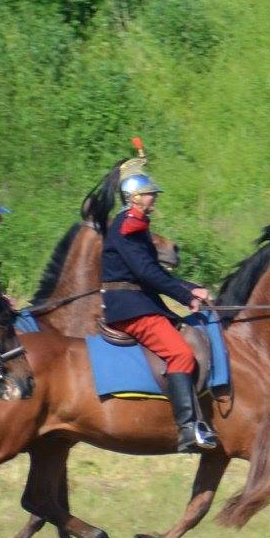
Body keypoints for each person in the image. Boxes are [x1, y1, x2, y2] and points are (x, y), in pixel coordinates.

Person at [101, 159, 215, 452]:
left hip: (139, 302)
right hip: (131, 307)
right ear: (134, 196)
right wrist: (186, 298)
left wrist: (192, 289)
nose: (154, 197)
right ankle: (188, 429)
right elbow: (146, 273)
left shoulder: (135, 225)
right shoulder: (128, 225)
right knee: (180, 354)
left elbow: (154, 271)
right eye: (150, 193)